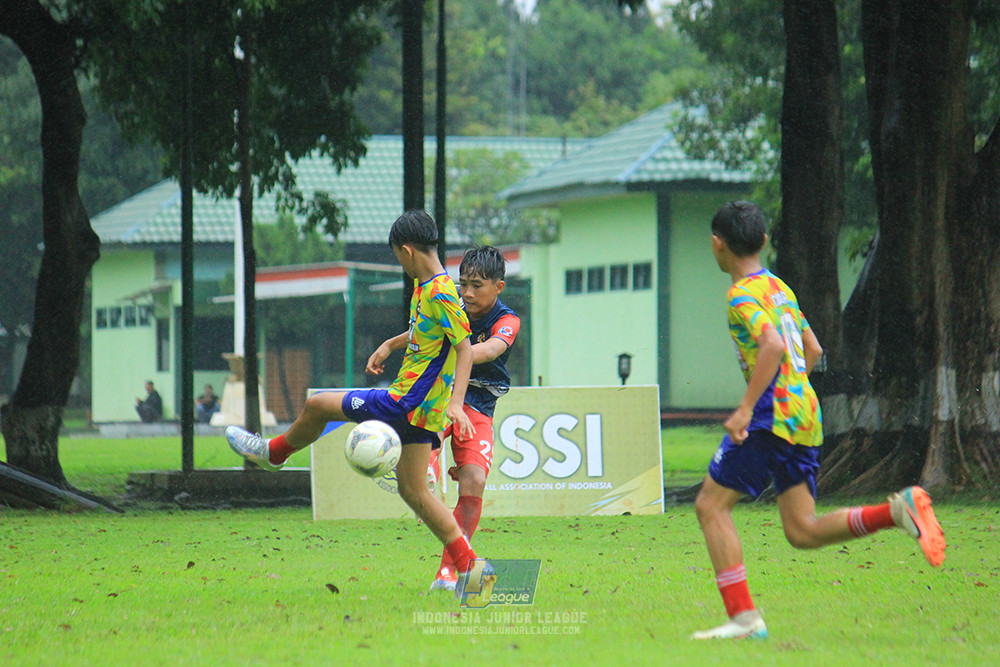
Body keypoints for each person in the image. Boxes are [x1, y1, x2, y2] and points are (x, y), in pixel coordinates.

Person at [691, 200, 946, 640]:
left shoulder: (741, 295)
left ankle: (744, 619)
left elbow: (771, 346)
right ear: (765, 241)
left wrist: (747, 408)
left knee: (710, 505)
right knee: (802, 531)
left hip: (771, 415)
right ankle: (895, 511)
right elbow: (812, 349)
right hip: (805, 412)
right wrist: (791, 388)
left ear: (718, 244)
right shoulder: (779, 288)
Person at [226, 210, 486, 591]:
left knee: (318, 405)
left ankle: (274, 453)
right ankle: (471, 572)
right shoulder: (430, 285)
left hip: (404, 403)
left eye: (397, 255)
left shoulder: (439, 290)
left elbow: (463, 349)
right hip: (422, 411)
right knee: (414, 492)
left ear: (408, 250)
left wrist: (456, 403)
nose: (399, 261)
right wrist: (390, 344)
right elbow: (429, 331)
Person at [428, 246, 520, 591]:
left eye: (477, 285)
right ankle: (425, 471)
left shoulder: (507, 320)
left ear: (498, 287)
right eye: (463, 283)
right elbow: (422, 334)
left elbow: (491, 350)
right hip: (441, 393)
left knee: (475, 482)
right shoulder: (451, 306)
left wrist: (458, 351)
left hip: (479, 404)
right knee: (428, 450)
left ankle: (447, 572)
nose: (467, 292)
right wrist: (391, 344)